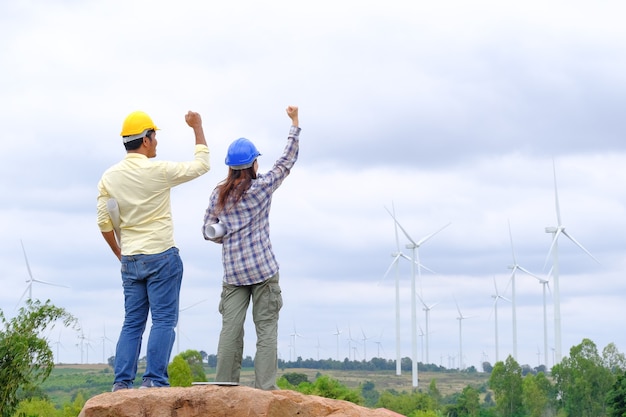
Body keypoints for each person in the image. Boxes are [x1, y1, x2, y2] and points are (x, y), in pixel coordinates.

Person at [96, 110, 210, 391]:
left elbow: (103, 222)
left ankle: (121, 383)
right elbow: (202, 164)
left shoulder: (109, 177)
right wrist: (197, 127)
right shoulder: (159, 171)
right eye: (154, 136)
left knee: (132, 322)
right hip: (162, 255)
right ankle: (154, 380)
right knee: (163, 320)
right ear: (146, 139)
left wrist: (120, 254)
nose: (157, 142)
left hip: (131, 258)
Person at [202, 106, 300, 390]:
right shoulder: (262, 188)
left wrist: (224, 233)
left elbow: (207, 231)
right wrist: (294, 124)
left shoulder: (218, 195)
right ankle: (265, 390)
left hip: (233, 274)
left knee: (230, 332)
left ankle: (224, 387)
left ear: (230, 167)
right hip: (263, 270)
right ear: (253, 164)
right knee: (266, 330)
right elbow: (286, 162)